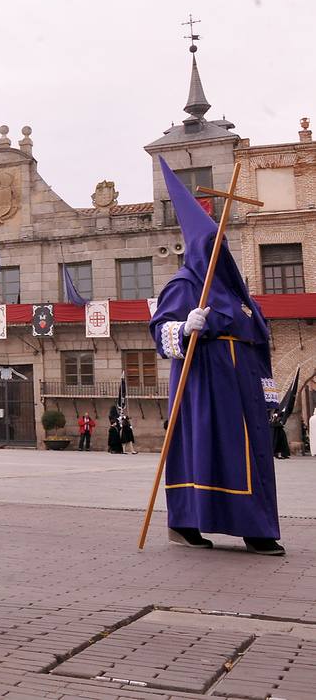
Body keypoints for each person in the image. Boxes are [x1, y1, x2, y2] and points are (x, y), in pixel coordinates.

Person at [151, 157, 281, 555]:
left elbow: (259, 341)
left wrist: (269, 391)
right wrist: (185, 327)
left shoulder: (240, 296)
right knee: (215, 449)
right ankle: (189, 522)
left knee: (252, 454)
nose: (218, 251)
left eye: (221, 244)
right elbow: (161, 332)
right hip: (205, 388)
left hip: (244, 391)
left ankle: (255, 523)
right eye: (211, 245)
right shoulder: (185, 284)